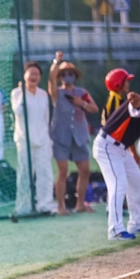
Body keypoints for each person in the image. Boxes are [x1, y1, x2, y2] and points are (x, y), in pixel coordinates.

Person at [92, 73, 140, 240]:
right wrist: (135, 102)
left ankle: (137, 223)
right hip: (107, 146)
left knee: (138, 182)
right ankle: (115, 230)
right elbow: (137, 108)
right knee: (119, 184)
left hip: (121, 148)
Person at [48, 51, 99, 215]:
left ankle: (80, 204)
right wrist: (57, 62)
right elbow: (51, 79)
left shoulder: (82, 92)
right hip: (61, 137)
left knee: (85, 171)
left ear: (75, 76)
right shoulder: (57, 93)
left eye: (70, 73)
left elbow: (94, 108)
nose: (67, 76)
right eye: (64, 74)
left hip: (80, 136)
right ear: (60, 77)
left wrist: (82, 103)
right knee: (62, 171)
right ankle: (61, 206)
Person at [11, 61, 54, 215]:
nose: (34, 77)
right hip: (24, 140)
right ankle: (24, 206)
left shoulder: (43, 94)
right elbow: (18, 111)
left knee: (45, 173)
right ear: (24, 76)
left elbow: (46, 117)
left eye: (36, 74)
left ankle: (45, 205)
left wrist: (47, 137)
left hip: (42, 139)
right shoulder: (17, 93)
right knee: (25, 174)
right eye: (31, 74)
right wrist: (23, 91)